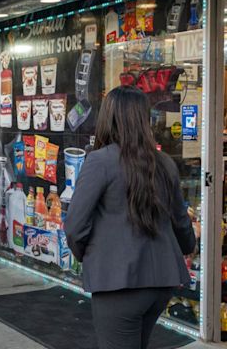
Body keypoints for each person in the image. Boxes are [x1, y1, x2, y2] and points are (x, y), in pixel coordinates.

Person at [64, 86, 197, 349]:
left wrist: (89, 256)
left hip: (117, 284)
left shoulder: (99, 161)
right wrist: (188, 247)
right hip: (161, 282)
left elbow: (74, 227)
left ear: (108, 118)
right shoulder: (165, 163)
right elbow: (181, 223)